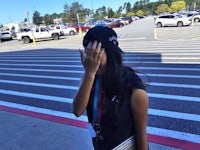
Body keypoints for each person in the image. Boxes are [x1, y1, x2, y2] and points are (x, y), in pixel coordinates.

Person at [73, 26, 149, 150]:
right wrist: (89, 74)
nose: (91, 60)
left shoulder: (133, 88)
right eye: (88, 54)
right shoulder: (90, 77)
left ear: (111, 53)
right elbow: (77, 110)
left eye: (96, 54)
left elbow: (141, 134)